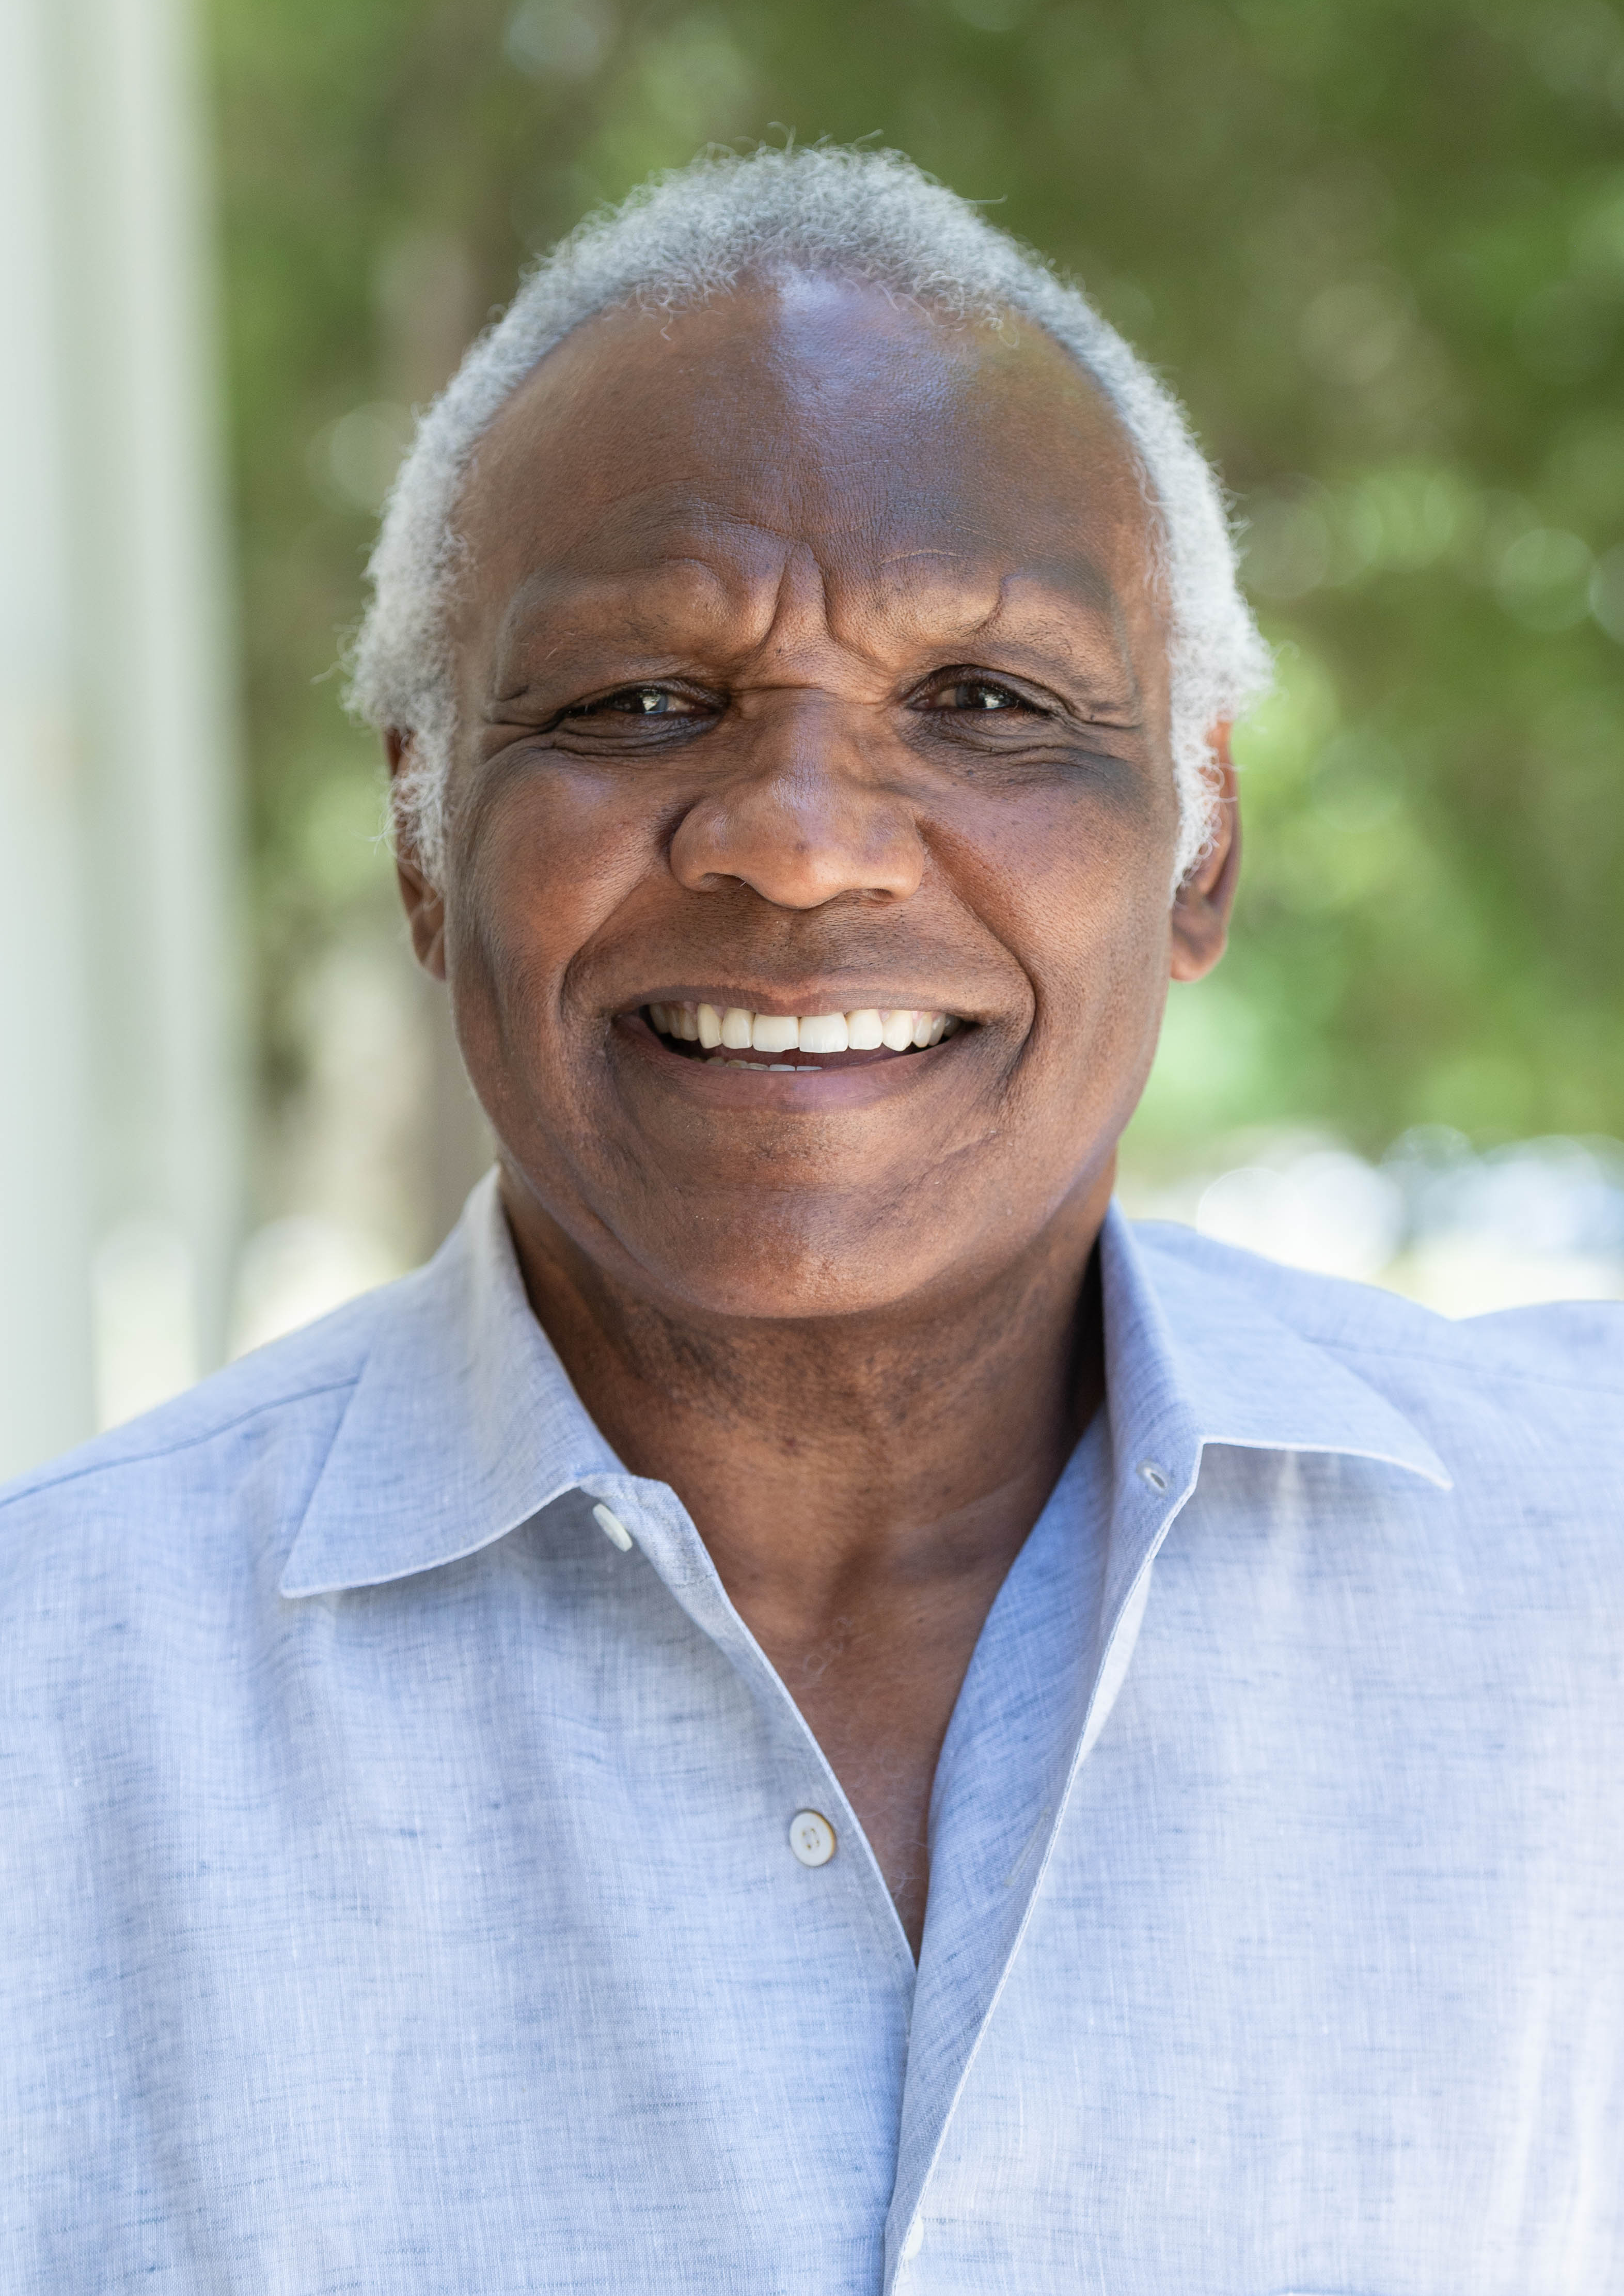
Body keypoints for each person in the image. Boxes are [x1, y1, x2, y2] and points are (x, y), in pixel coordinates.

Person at [3, 146, 1620, 2292]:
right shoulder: (53, 1711)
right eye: (640, 704)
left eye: (989, 706)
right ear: (421, 834)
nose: (799, 848)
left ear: (1199, 848)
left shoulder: (1579, 1579)